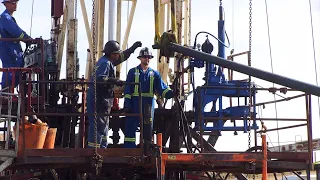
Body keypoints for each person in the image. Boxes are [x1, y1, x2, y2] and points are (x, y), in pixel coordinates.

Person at [87, 40, 142, 148]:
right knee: (99, 126)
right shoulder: (105, 63)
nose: (118, 55)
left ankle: (102, 148)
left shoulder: (107, 61)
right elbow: (100, 78)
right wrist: (115, 81)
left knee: (103, 126)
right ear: (112, 54)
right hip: (99, 100)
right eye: (117, 53)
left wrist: (132, 49)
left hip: (101, 100)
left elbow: (123, 57)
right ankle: (95, 150)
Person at [123, 47, 173, 148]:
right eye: (145, 57)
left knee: (148, 128)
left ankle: (146, 148)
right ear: (140, 58)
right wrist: (127, 104)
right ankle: (129, 149)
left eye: (149, 57)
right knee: (131, 126)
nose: (147, 59)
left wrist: (171, 93)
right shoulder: (132, 72)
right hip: (134, 104)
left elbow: (161, 88)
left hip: (148, 105)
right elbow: (127, 90)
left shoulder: (155, 74)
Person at [0, 0, 32, 89]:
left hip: (11, 48)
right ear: (6, 4)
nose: (15, 5)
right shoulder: (5, 18)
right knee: (12, 70)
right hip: (9, 48)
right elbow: (16, 31)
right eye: (12, 3)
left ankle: (9, 92)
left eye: (16, 3)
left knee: (17, 69)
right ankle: (6, 93)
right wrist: (27, 39)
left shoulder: (7, 17)